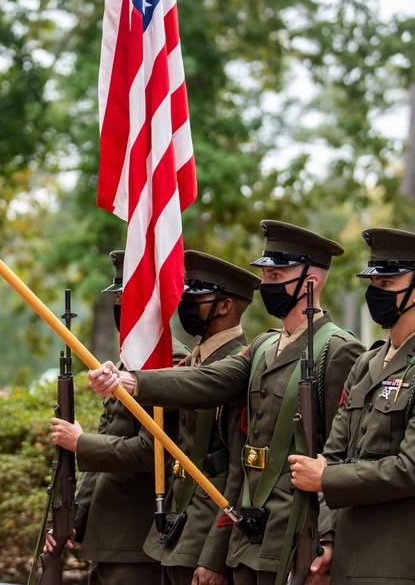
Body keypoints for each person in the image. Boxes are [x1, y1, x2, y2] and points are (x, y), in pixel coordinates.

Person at [88, 221, 366, 585]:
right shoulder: (265, 345)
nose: (266, 284)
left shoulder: (339, 350)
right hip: (249, 531)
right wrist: (131, 380)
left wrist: (328, 539)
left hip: (297, 530)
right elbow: (210, 380)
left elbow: (339, 452)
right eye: (265, 274)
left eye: (277, 274)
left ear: (310, 283)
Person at [288, 228, 415, 584]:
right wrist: (327, 539)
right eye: (373, 283)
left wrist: (327, 479)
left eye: (386, 285)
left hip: (397, 562)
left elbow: (414, 471)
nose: (374, 293)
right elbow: (333, 454)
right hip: (346, 556)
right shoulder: (368, 362)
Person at [140, 250, 259, 585]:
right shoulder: (193, 361)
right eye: (185, 293)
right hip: (176, 524)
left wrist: (214, 556)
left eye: (198, 295)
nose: (186, 302)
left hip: (207, 529)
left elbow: (239, 469)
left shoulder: (239, 365)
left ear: (224, 306)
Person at [47, 249, 165, 584]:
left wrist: (82, 442)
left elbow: (151, 450)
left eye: (128, 298)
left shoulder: (165, 365)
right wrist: (74, 520)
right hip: (107, 538)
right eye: (117, 299)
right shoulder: (127, 366)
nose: (120, 308)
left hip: (138, 539)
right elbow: (99, 471)